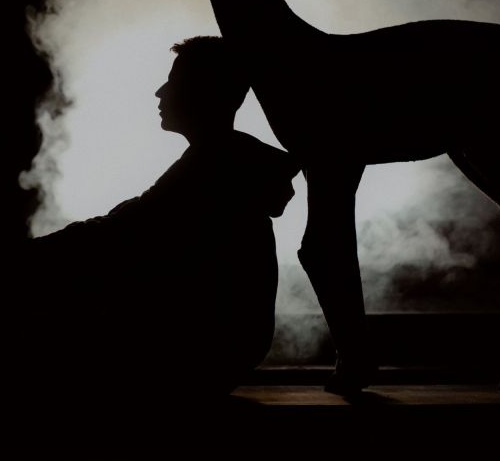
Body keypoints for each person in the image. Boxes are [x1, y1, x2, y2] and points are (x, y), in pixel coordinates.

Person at [25, 36, 300, 399]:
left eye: (174, 81)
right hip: (218, 349)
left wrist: (26, 257)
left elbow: (120, 232)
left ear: (205, 93)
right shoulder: (226, 162)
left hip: (197, 353)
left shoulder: (212, 168)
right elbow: (129, 225)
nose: (160, 92)